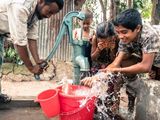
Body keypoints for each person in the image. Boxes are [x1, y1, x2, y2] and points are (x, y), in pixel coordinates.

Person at [0, 0, 64, 103]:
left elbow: (32, 37)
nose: (49, 16)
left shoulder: (36, 12)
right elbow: (20, 42)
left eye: (52, 14)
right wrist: (31, 68)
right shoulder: (21, 7)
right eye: (49, 11)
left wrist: (37, 60)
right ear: (41, 1)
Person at [102, 9, 160, 113]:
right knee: (126, 61)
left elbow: (146, 67)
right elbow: (116, 63)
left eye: (124, 32)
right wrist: (101, 74)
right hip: (153, 59)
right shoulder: (124, 37)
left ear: (138, 28)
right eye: (118, 32)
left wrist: (118, 70)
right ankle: (133, 98)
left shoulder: (149, 35)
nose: (120, 36)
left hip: (154, 59)